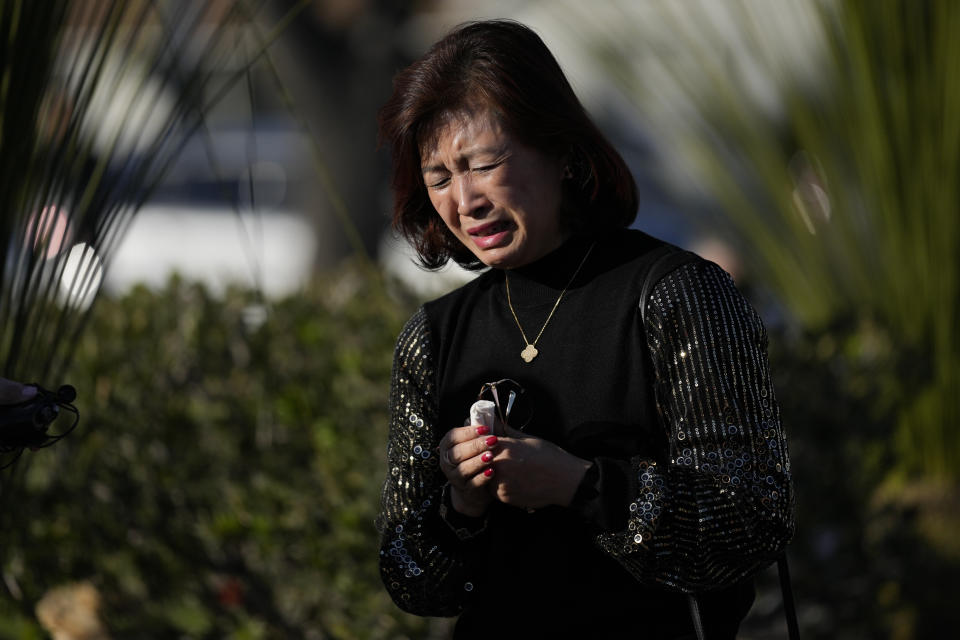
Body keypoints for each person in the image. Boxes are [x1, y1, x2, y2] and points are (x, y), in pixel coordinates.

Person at [375, 19, 794, 639]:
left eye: (484, 163)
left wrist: (580, 484)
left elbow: (751, 518)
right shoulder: (434, 336)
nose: (465, 200)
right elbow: (411, 577)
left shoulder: (678, 293)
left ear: (563, 151)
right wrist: (460, 504)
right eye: (439, 177)